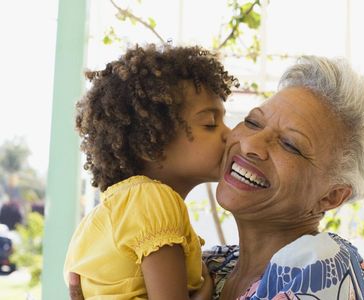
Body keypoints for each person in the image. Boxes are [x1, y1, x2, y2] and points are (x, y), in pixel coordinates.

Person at [70, 55, 364, 299]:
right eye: (253, 122)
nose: (250, 143)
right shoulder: (210, 264)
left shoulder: (321, 266)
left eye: (290, 144)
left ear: (331, 196)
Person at [63, 44, 238, 299]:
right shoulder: (154, 201)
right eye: (210, 124)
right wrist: (206, 292)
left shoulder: (111, 212)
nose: (230, 134)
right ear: (150, 142)